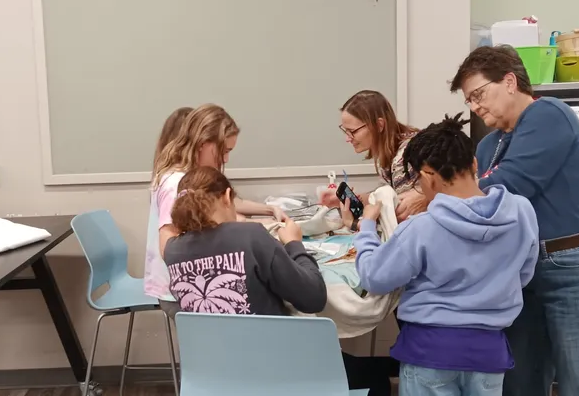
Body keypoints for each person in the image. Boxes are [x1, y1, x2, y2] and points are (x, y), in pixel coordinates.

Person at [450, 45, 579, 396]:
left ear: (510, 81)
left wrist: (438, 198)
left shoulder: (549, 114)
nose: (475, 107)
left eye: (479, 94)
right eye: (469, 100)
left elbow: (510, 184)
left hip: (578, 267)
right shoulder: (487, 148)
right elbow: (486, 207)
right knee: (519, 383)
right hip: (524, 273)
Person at [353, 113, 539, 396]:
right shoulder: (521, 212)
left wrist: (366, 228)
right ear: (474, 163)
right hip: (489, 355)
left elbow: (374, 277)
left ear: (426, 176)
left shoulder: (422, 228)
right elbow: (523, 274)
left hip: (430, 352)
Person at [163, 166, 393, 396]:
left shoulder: (172, 251)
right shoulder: (250, 236)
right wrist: (294, 243)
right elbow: (313, 298)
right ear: (226, 197)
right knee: (378, 375)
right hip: (277, 370)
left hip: (215, 374)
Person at [145, 104, 288, 318]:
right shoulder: (176, 183)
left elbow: (224, 204)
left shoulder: (193, 176)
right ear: (203, 144)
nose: (226, 159)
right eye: (224, 151)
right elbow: (169, 244)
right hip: (182, 291)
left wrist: (268, 210)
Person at [338, 90, 423, 231]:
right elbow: (392, 197)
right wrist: (359, 199)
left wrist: (352, 223)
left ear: (379, 125)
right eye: (345, 131)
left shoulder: (405, 156)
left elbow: (397, 223)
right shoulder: (389, 154)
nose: (348, 138)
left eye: (353, 131)